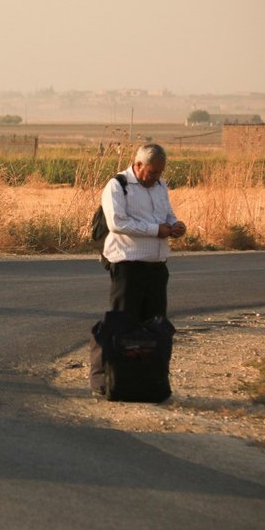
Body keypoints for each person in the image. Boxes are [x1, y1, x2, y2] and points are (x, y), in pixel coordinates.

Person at [91, 143, 186, 393]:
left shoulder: (160, 186)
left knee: (154, 327)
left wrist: (175, 225)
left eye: (160, 173)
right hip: (127, 264)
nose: (156, 177)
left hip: (156, 266)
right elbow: (117, 223)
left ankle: (147, 381)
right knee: (122, 325)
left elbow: (167, 215)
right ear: (138, 164)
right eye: (153, 172)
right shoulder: (118, 186)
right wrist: (157, 230)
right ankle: (111, 381)